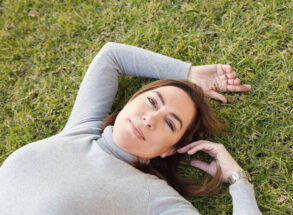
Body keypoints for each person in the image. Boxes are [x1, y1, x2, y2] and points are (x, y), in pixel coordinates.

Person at [0, 42, 262, 215]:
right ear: (130, 101)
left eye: (170, 123)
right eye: (151, 102)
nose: (150, 119)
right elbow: (111, 55)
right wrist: (189, 74)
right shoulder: (81, 128)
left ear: (171, 149)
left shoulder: (151, 195)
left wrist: (237, 180)